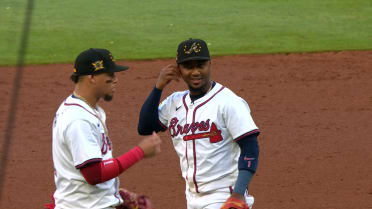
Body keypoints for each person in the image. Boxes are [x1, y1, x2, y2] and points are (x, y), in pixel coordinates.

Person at [137, 38, 260, 209]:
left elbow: (250, 147)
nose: (195, 72)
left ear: (210, 65)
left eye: (200, 65)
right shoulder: (175, 102)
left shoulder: (229, 102)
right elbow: (145, 127)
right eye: (188, 66)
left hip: (224, 196)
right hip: (192, 197)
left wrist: (238, 194)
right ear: (178, 69)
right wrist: (158, 87)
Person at [48, 48, 161, 209]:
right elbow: (94, 174)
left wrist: (113, 193)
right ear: (92, 77)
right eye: (110, 75)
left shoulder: (86, 109)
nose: (115, 79)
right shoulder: (78, 119)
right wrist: (140, 151)